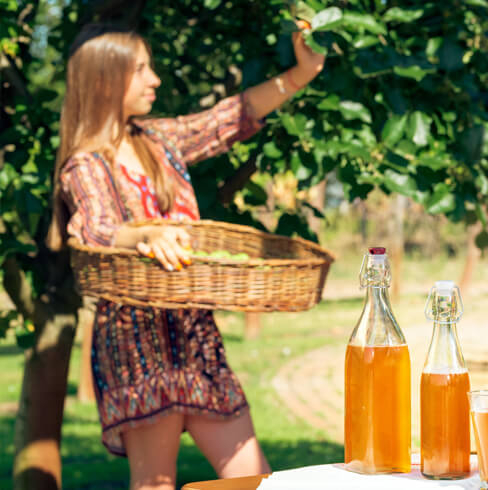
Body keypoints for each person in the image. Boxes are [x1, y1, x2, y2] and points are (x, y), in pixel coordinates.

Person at [46, 22, 324, 489]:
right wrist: (142, 236)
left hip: (197, 338)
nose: (154, 78)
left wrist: (301, 73)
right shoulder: (85, 164)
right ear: (103, 81)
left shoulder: (159, 141)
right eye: (140, 70)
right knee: (155, 484)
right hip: (137, 345)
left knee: (254, 480)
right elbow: (95, 227)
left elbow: (228, 117)